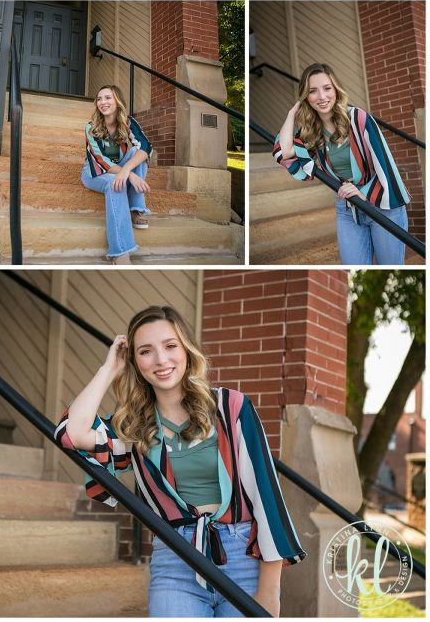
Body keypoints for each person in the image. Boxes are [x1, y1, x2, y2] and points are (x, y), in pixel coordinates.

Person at [55, 306, 305, 617]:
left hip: (243, 559)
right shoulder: (133, 428)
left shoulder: (231, 408)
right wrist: (109, 368)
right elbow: (71, 434)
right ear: (134, 362)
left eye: (170, 346)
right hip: (174, 561)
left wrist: (270, 589)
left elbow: (267, 499)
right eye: (146, 351)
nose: (161, 360)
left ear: (186, 350)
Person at [274, 62, 410, 265]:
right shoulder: (312, 133)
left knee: (389, 267)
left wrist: (362, 192)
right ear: (306, 97)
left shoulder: (358, 118)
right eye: (313, 91)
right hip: (348, 209)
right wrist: (291, 113)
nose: (322, 97)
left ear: (336, 90)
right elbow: (284, 151)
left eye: (327, 88)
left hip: (382, 204)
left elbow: (385, 163)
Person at [82, 85, 153, 265]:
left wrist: (127, 170)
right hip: (94, 172)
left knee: (138, 155)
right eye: (99, 99)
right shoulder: (91, 128)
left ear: (117, 101)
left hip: (118, 167)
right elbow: (100, 162)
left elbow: (146, 147)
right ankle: (120, 252)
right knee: (116, 183)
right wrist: (128, 175)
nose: (103, 102)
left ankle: (135, 208)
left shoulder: (128, 123)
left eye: (108, 98)